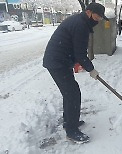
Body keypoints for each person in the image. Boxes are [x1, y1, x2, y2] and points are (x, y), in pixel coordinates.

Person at [43, 2, 109, 143]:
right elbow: (80, 53)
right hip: (57, 62)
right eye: (98, 16)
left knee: (70, 93)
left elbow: (76, 50)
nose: (99, 19)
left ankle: (70, 122)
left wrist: (84, 66)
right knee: (72, 93)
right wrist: (91, 69)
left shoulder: (81, 22)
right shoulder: (81, 25)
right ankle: (71, 130)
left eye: (101, 17)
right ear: (89, 12)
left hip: (61, 60)